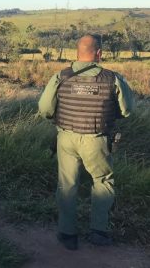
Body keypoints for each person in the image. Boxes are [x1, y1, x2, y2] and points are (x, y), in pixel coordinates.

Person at [38, 35, 134, 250]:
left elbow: (44, 109)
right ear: (99, 53)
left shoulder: (60, 76)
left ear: (76, 52)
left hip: (65, 138)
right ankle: (99, 231)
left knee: (67, 184)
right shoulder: (112, 78)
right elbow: (127, 110)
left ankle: (67, 233)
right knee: (102, 181)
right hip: (96, 139)